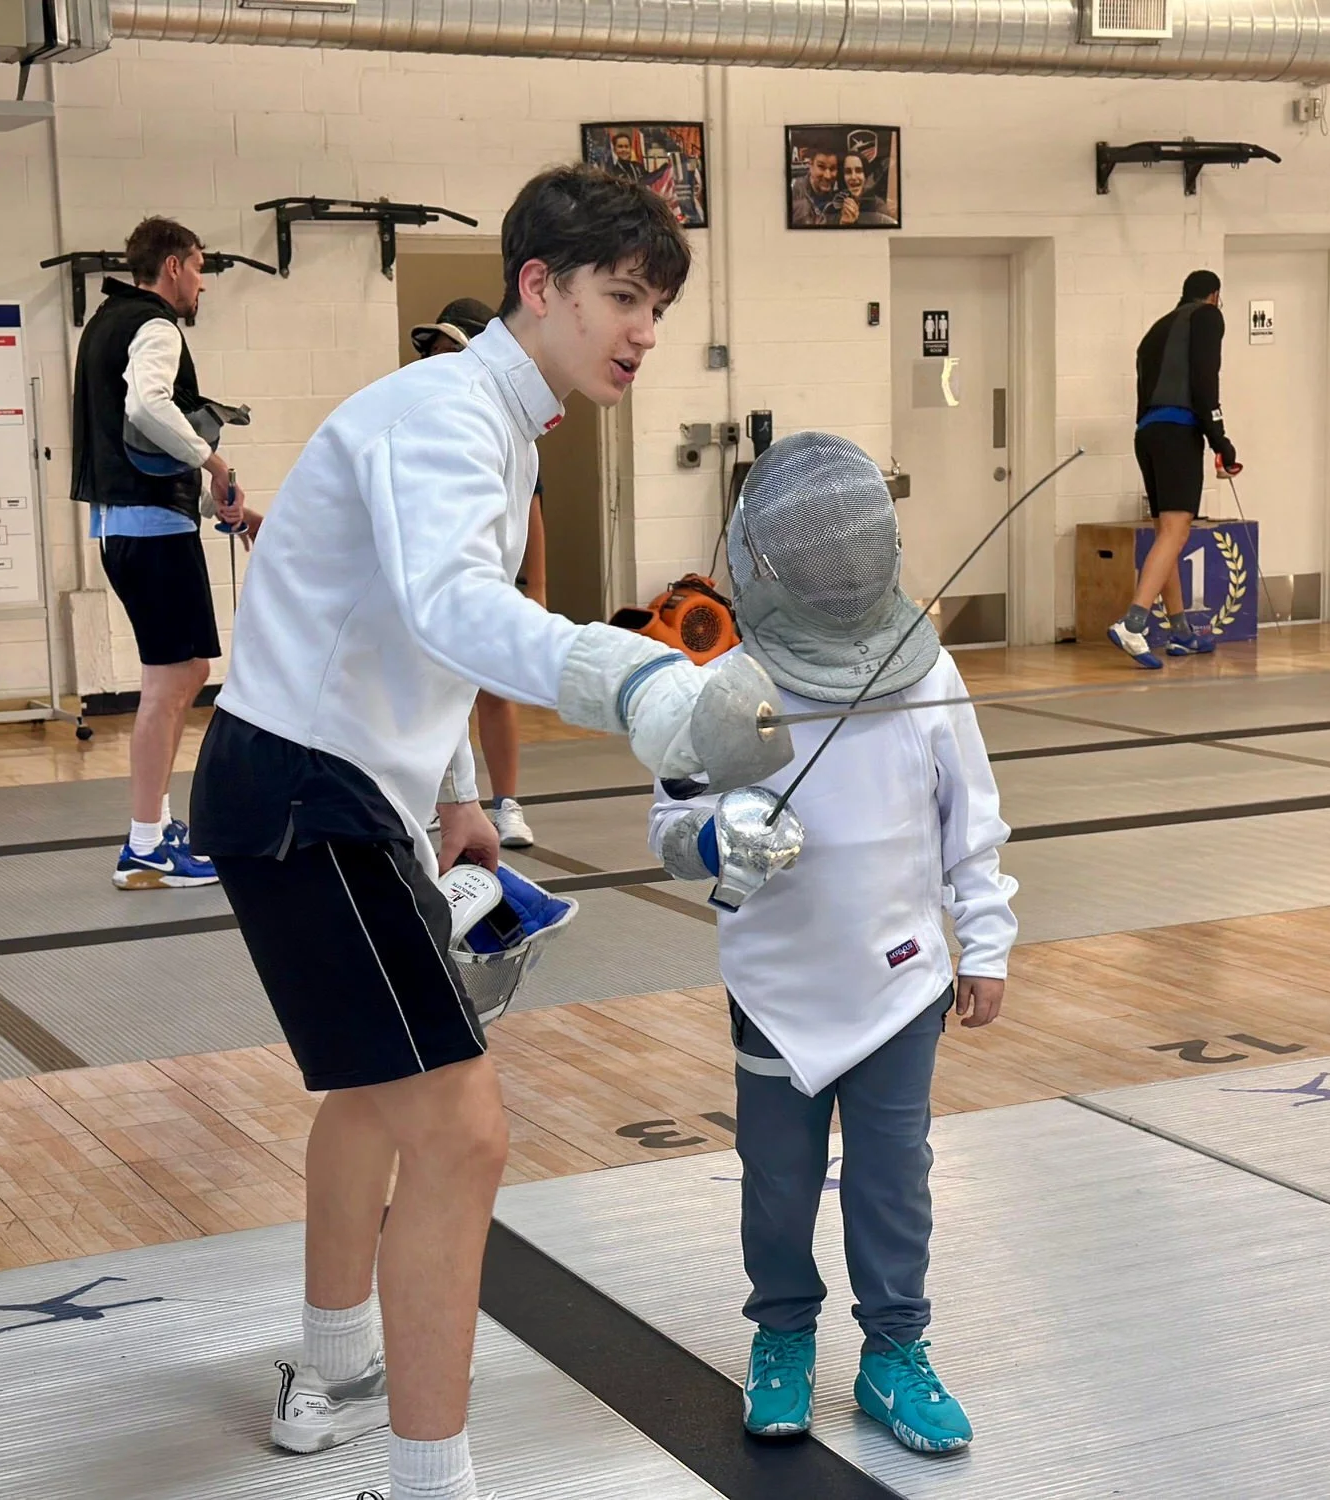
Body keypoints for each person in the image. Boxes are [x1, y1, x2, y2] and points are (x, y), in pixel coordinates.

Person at [188, 165, 789, 1500]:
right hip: (304, 792)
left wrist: (458, 789)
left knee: (370, 1094)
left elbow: (416, 626)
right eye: (624, 297)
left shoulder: (498, 422)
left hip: (341, 789)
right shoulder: (453, 417)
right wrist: (636, 679)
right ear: (541, 285)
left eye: (656, 304)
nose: (642, 328)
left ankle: (331, 1362)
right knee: (462, 1134)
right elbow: (459, 604)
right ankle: (429, 1480)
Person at [649, 431, 1017, 1456]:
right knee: (775, 1175)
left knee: (893, 1174)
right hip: (774, 982)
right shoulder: (719, 679)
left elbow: (970, 820)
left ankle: (894, 1352)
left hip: (900, 978)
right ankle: (781, 1339)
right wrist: (718, 835)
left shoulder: (927, 670)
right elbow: (669, 825)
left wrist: (982, 942)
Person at [71, 216, 247, 889]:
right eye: (199, 268)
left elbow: (130, 440)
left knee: (175, 674)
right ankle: (145, 843)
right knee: (180, 677)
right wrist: (212, 460)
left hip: (130, 523)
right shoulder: (155, 325)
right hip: (146, 530)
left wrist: (218, 500)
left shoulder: (107, 323)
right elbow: (147, 411)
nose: (202, 283)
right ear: (173, 267)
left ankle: (155, 825)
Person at [410, 297, 546, 849]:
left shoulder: (508, 428)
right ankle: (438, 802)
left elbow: (532, 512)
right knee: (433, 692)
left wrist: (535, 589)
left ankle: (505, 803)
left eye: (452, 350)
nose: (442, 361)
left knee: (492, 691)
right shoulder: (423, 419)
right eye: (435, 352)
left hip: (489, 581)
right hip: (437, 585)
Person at [1110, 269, 1241, 670]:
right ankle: (1134, 623)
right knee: (1177, 529)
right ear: (1214, 296)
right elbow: (1206, 380)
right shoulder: (1207, 317)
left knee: (1166, 531)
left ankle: (1181, 630)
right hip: (1178, 431)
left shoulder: (1157, 329)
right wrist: (1220, 439)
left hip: (1146, 434)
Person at [790, 144, 846, 226]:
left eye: (832, 168)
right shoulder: (797, 197)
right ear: (810, 166)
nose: (828, 175)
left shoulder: (838, 194)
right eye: (821, 167)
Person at [840, 151, 895, 227]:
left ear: (865, 175)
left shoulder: (878, 206)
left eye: (858, 171)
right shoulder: (835, 205)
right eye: (848, 172)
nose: (853, 177)